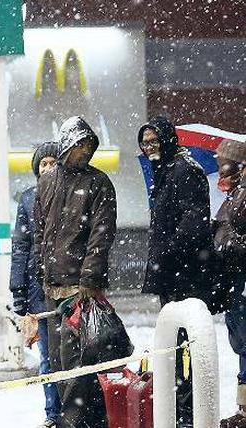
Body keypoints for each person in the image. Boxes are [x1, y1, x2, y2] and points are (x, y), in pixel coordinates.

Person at [33, 116, 117, 428]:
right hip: (53, 287)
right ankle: (77, 420)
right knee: (58, 364)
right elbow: (40, 232)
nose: (86, 151)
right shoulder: (47, 181)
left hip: (80, 289)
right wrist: (42, 272)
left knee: (80, 365)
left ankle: (80, 422)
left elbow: (101, 235)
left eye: (89, 145)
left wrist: (89, 279)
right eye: (80, 145)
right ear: (67, 144)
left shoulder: (98, 183)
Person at [139, 116, 212, 427]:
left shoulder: (183, 170)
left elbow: (192, 224)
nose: (149, 147)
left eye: (154, 140)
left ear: (167, 139)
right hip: (174, 273)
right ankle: (182, 409)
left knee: (186, 344)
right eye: (145, 142)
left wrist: (167, 252)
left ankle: (187, 412)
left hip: (184, 274)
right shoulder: (166, 170)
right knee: (177, 344)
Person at [9, 141, 60, 428]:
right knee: (47, 356)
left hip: (66, 286)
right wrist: (18, 291)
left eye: (54, 162)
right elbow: (20, 247)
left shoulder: (69, 194)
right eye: (44, 163)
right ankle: (53, 412)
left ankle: (73, 410)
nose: (49, 168)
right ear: (36, 168)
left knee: (70, 353)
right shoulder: (28, 199)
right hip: (38, 289)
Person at [216, 138, 246, 428]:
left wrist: (229, 243)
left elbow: (237, 230)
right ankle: (243, 406)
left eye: (223, 164)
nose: (219, 170)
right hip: (234, 280)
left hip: (242, 279)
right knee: (240, 342)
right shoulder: (234, 195)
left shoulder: (242, 195)